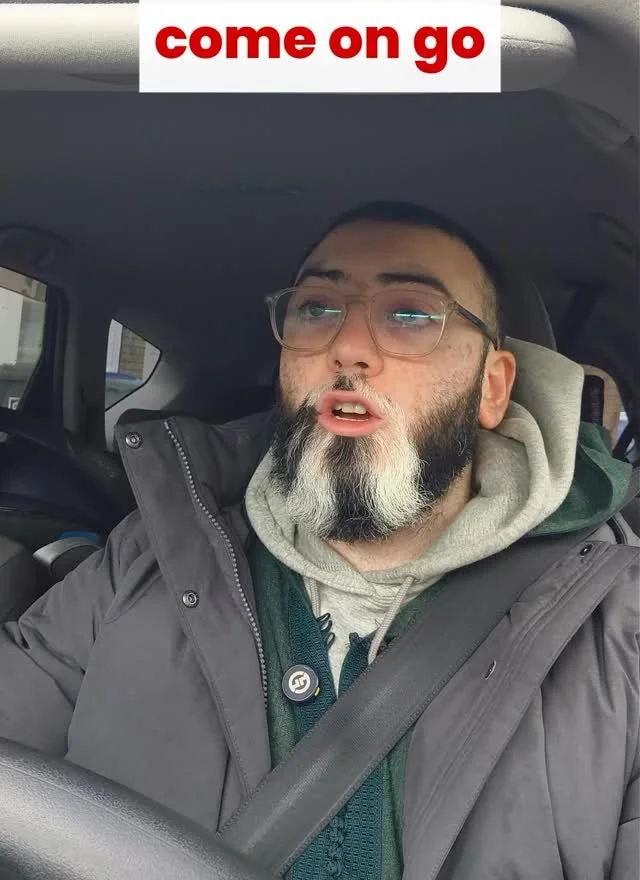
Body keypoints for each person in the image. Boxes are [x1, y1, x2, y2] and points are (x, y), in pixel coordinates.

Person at [0, 200, 638, 880]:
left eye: (410, 314)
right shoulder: (147, 558)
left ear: (492, 387)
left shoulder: (620, 625)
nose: (348, 347)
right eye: (315, 308)